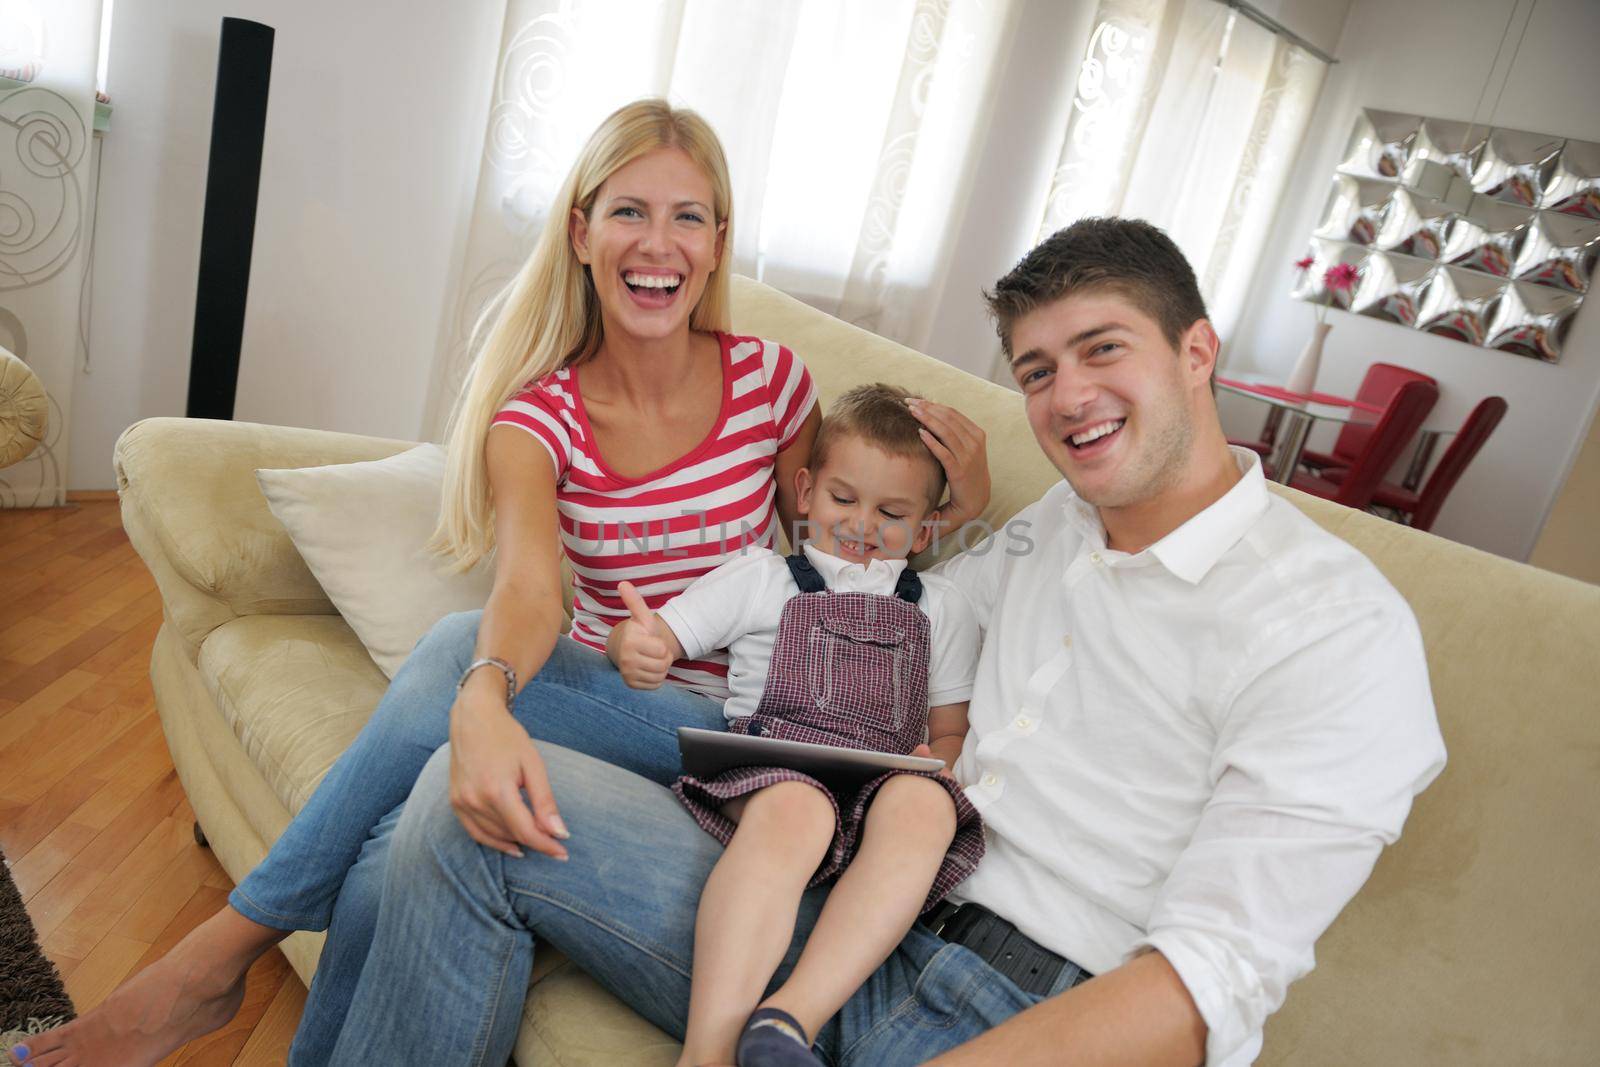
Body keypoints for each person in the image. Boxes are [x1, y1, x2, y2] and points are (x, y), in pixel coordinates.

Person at [317, 216, 1446, 1066]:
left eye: (1104, 350)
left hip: (1022, 1006)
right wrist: (941, 519)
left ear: (1197, 350)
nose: (1068, 397)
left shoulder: (1335, 630)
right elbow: (896, 614)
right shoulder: (1056, 521)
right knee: (475, 808)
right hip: (844, 911)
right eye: (1038, 369)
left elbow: (1204, 985)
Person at [4, 100, 992, 1067]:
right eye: (629, 211)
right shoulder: (537, 414)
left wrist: (962, 506)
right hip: (615, 702)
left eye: (688, 215)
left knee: (449, 656)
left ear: (719, 239)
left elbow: (848, 550)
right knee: (396, 840)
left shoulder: (772, 383)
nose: (659, 243)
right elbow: (530, 589)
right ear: (581, 230)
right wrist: (489, 689)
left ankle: (209, 960)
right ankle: (219, 976)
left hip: (745, 736)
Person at [608, 384, 985, 1066]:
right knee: (799, 808)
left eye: (892, 511)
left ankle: (786, 1025)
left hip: (876, 788)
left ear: (927, 528)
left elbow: (949, 726)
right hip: (772, 769)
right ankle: (708, 1051)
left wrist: (943, 759)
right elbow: (658, 631)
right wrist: (635, 646)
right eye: (844, 499)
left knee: (930, 804)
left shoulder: (943, 606)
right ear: (805, 492)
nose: (863, 523)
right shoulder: (762, 578)